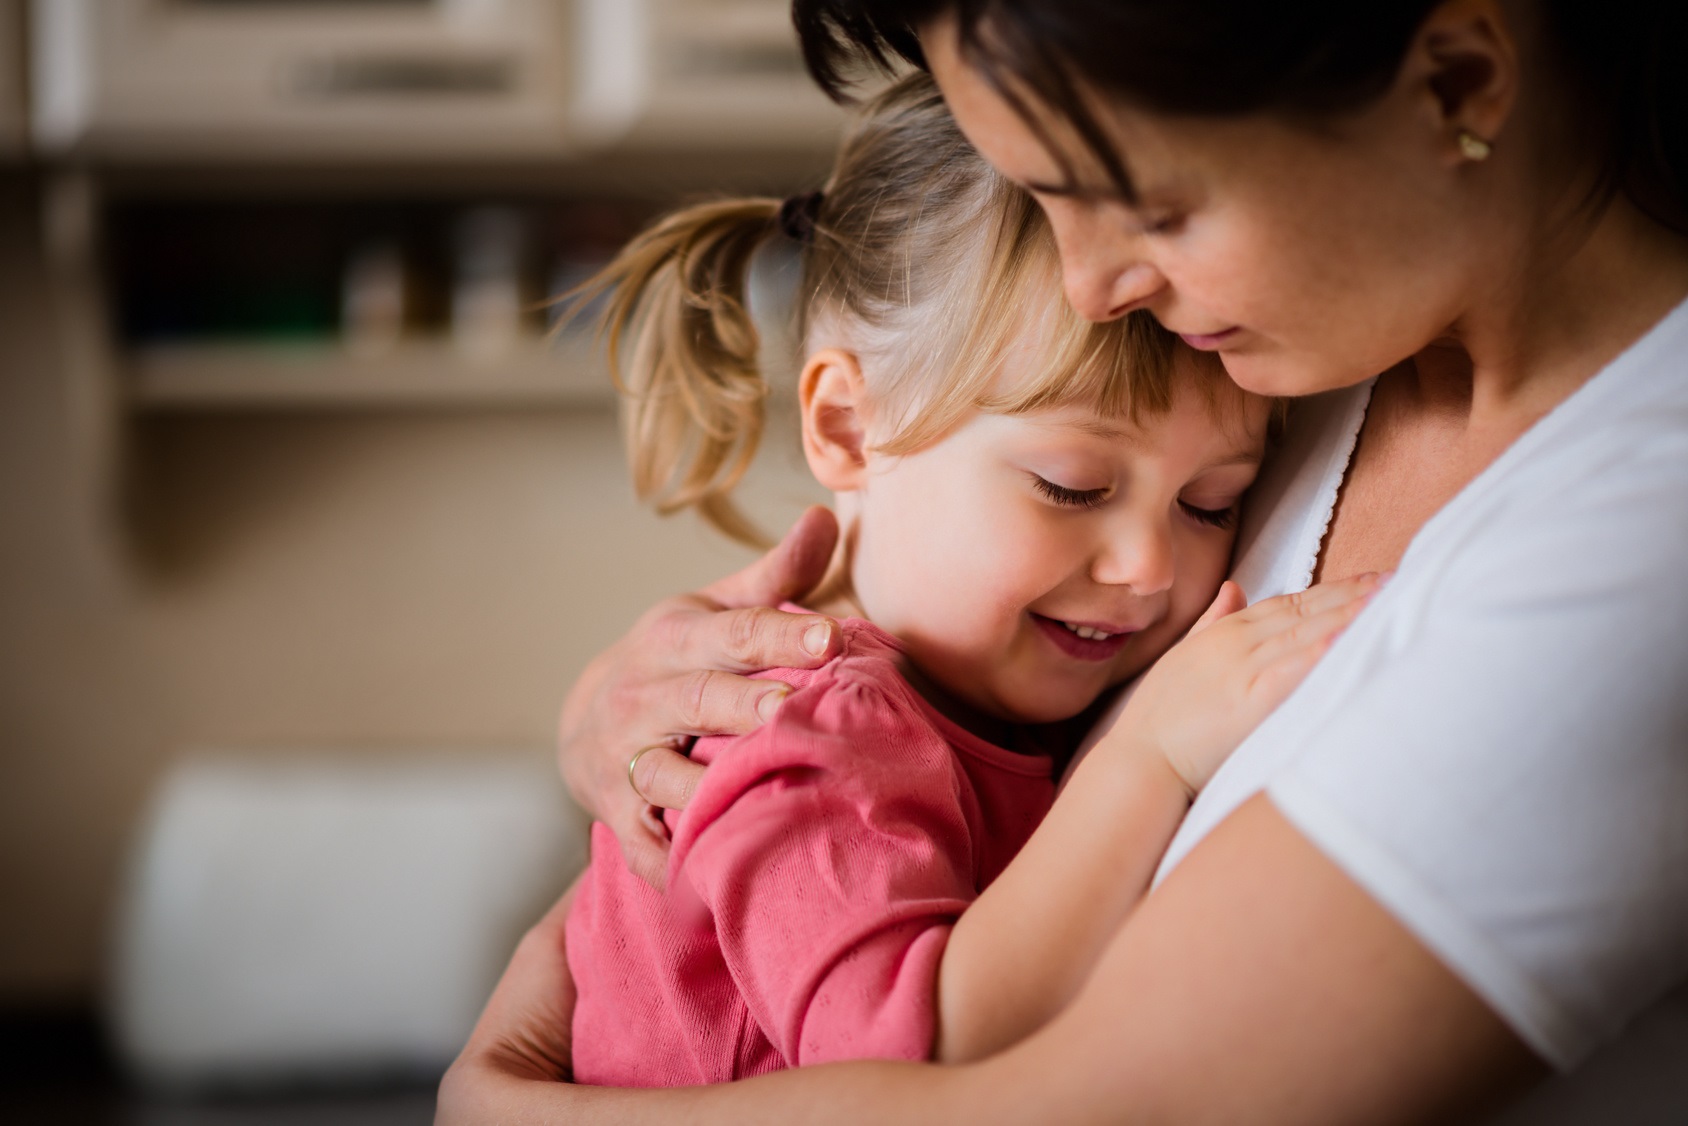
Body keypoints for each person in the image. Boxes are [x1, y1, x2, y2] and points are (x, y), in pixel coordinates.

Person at [440, 1, 1688, 1121]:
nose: (1091, 288)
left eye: (1152, 204)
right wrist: (620, 717)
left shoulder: (1630, 527)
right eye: (1041, 199)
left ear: (1458, 82)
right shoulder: (1303, 345)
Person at [564, 73, 1375, 1085]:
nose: (1147, 567)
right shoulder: (813, 732)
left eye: (1210, 503)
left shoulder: (987, 699)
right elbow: (908, 1061)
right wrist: (1150, 758)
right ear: (847, 427)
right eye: (1070, 486)